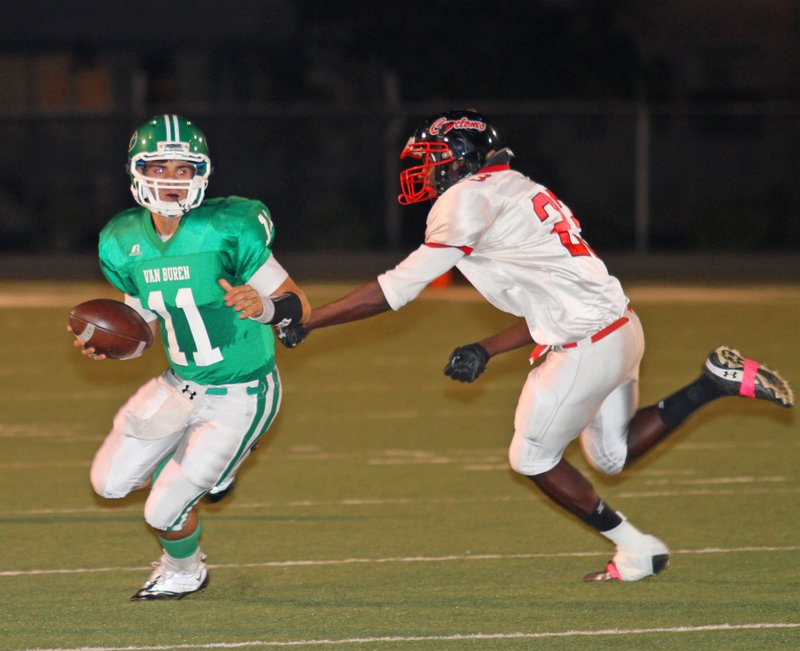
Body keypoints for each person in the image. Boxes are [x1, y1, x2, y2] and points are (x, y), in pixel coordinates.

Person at [276, 109, 794, 582]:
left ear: (464, 159)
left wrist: (313, 319)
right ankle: (712, 383)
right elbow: (547, 300)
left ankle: (636, 549)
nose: (427, 173)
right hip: (620, 328)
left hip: (585, 344)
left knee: (531, 458)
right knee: (610, 456)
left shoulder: (467, 199)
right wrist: (486, 347)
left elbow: (395, 288)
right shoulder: (519, 188)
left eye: (434, 160)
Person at [69, 114, 310, 600]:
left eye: (184, 169)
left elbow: (299, 306)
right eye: (161, 167)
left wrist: (263, 306)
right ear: (137, 171)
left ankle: (185, 570)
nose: (172, 180)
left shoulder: (228, 227)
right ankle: (204, 471)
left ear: (203, 173)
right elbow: (145, 317)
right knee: (109, 484)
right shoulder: (122, 238)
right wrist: (112, 341)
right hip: (179, 384)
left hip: (240, 393)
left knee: (162, 512)